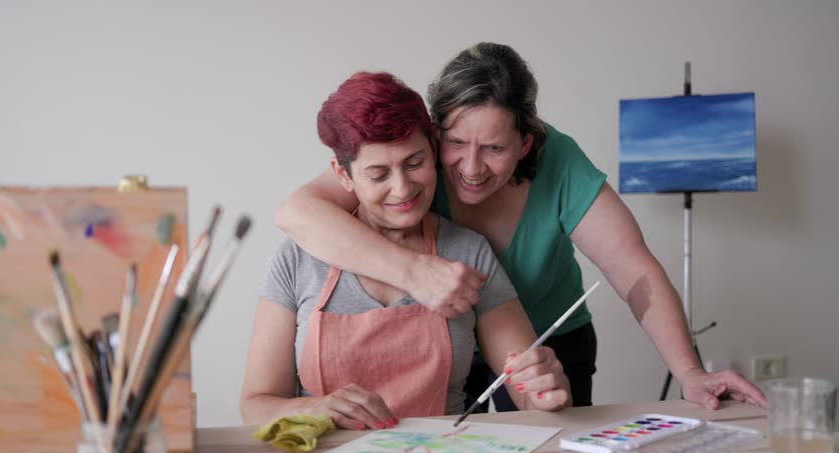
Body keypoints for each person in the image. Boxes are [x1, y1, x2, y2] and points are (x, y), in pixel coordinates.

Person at [275, 43, 767, 412]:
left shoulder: (562, 162)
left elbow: (633, 269)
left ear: (528, 143)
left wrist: (689, 371)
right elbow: (298, 213)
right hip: (450, 337)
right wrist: (413, 273)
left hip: (547, 346)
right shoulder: (413, 163)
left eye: (494, 149)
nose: (470, 167)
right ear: (433, 132)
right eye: (456, 143)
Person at [240, 71, 571, 429]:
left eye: (414, 163)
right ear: (343, 175)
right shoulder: (296, 259)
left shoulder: (468, 252)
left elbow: (527, 386)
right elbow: (256, 405)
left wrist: (543, 389)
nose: (403, 190)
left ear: (434, 152)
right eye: (379, 174)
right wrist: (316, 409)